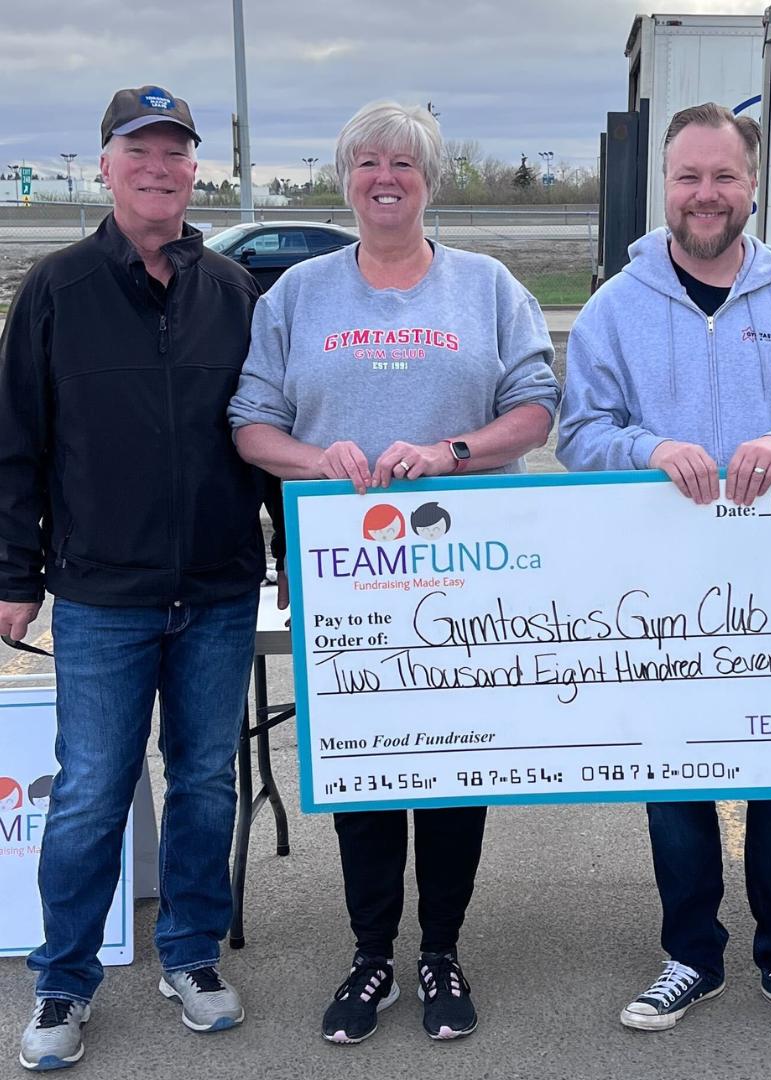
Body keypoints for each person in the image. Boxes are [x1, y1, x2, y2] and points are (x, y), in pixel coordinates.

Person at [228, 100, 559, 1045]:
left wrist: (455, 449)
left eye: (404, 163)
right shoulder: (298, 295)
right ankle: (372, 951)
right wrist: (313, 456)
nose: (386, 176)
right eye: (368, 161)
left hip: (468, 566)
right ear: (345, 180)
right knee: (366, 770)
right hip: (345, 574)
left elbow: (535, 408)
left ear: (430, 180)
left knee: (454, 770)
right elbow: (250, 422)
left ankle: (441, 948)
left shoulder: (487, 287)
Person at [557, 102, 771, 1039]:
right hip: (662, 593)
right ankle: (690, 954)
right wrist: (648, 450)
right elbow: (579, 434)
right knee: (675, 782)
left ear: (752, 185)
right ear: (667, 188)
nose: (706, 194)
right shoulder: (616, 307)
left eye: (724, 176)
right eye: (689, 177)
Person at [0, 85, 269, 1071]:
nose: (158, 168)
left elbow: (267, 439)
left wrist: (305, 553)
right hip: (103, 594)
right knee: (88, 792)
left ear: (197, 171)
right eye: (138, 151)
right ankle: (63, 980)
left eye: (176, 153)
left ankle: (190, 954)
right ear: (105, 166)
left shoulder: (235, 292)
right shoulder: (57, 289)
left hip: (217, 589)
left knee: (204, 782)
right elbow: (15, 447)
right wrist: (13, 573)